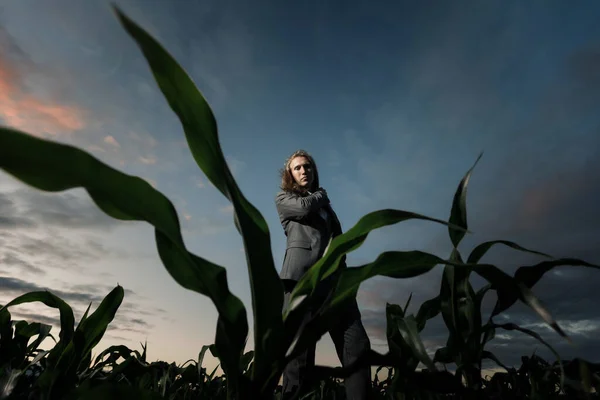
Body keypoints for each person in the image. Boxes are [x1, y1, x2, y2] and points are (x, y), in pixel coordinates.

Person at [275, 149, 371, 400]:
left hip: (336, 284)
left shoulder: (326, 208)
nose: (303, 170)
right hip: (301, 282)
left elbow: (338, 241)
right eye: (297, 168)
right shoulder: (285, 199)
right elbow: (305, 207)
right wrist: (321, 194)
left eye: (307, 166)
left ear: (314, 170)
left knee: (357, 345)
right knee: (300, 359)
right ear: (290, 175)